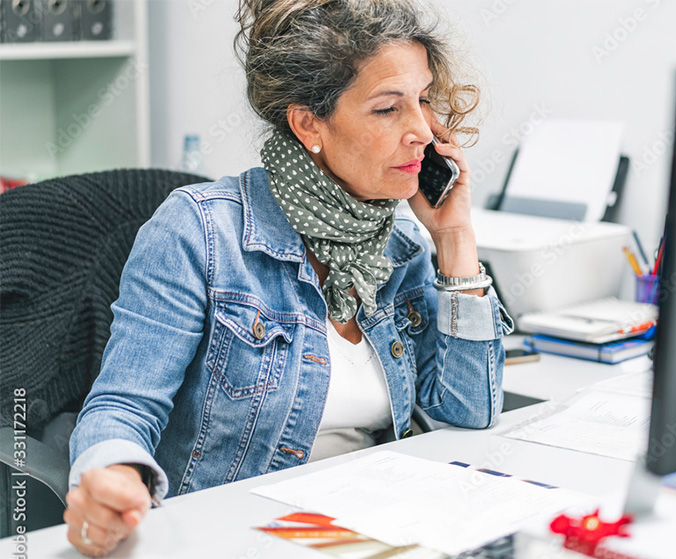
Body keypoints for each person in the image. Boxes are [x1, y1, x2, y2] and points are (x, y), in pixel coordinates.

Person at [62, 0, 513, 555]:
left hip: (374, 528)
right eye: (387, 109)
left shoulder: (401, 246)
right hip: (235, 538)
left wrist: (455, 238)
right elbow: (123, 406)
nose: (423, 131)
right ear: (309, 124)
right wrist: (115, 475)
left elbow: (469, 415)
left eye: (423, 101)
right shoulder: (201, 231)